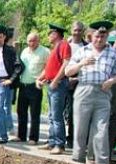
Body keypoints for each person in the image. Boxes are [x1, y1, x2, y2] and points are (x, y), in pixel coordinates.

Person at [65, 21, 116, 164]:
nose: (99, 40)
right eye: (97, 36)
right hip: (84, 90)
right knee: (80, 127)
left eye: (103, 37)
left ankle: (102, 163)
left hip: (103, 92)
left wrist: (110, 81)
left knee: (101, 128)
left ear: (106, 38)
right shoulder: (83, 51)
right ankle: (77, 159)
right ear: (92, 36)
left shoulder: (112, 53)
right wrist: (81, 64)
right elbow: (67, 71)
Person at [37, 24, 71, 155]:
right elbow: (50, 68)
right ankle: (52, 142)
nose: (48, 36)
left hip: (58, 85)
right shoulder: (54, 48)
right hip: (51, 84)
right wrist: (40, 78)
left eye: (50, 33)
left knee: (57, 116)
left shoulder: (63, 44)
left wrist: (56, 80)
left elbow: (66, 63)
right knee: (51, 115)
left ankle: (59, 144)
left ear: (56, 33)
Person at [15, 32, 49, 145]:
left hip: (35, 85)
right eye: (29, 41)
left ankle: (33, 138)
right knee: (21, 111)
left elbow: (47, 67)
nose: (31, 43)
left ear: (38, 40)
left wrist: (40, 78)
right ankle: (21, 136)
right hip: (23, 85)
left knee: (34, 113)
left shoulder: (44, 51)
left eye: (34, 40)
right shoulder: (24, 51)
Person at [66, 21, 88, 149]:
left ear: (83, 31)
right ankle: (66, 138)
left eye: (80, 30)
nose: (77, 32)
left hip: (81, 83)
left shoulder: (88, 46)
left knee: (79, 112)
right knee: (67, 113)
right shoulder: (66, 45)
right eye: (75, 30)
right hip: (65, 82)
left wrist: (77, 78)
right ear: (71, 30)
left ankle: (76, 140)